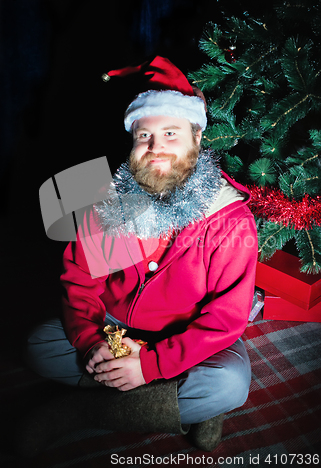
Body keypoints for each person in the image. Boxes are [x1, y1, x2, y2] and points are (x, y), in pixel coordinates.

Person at [23, 56, 257, 455]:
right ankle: (180, 406)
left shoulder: (230, 219)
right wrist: (91, 341)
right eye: (144, 136)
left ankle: (85, 410)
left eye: (170, 133)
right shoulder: (107, 200)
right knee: (39, 347)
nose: (156, 148)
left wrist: (149, 364)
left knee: (229, 383)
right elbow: (79, 282)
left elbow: (224, 318)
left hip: (190, 335)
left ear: (196, 139)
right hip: (117, 327)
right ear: (132, 142)